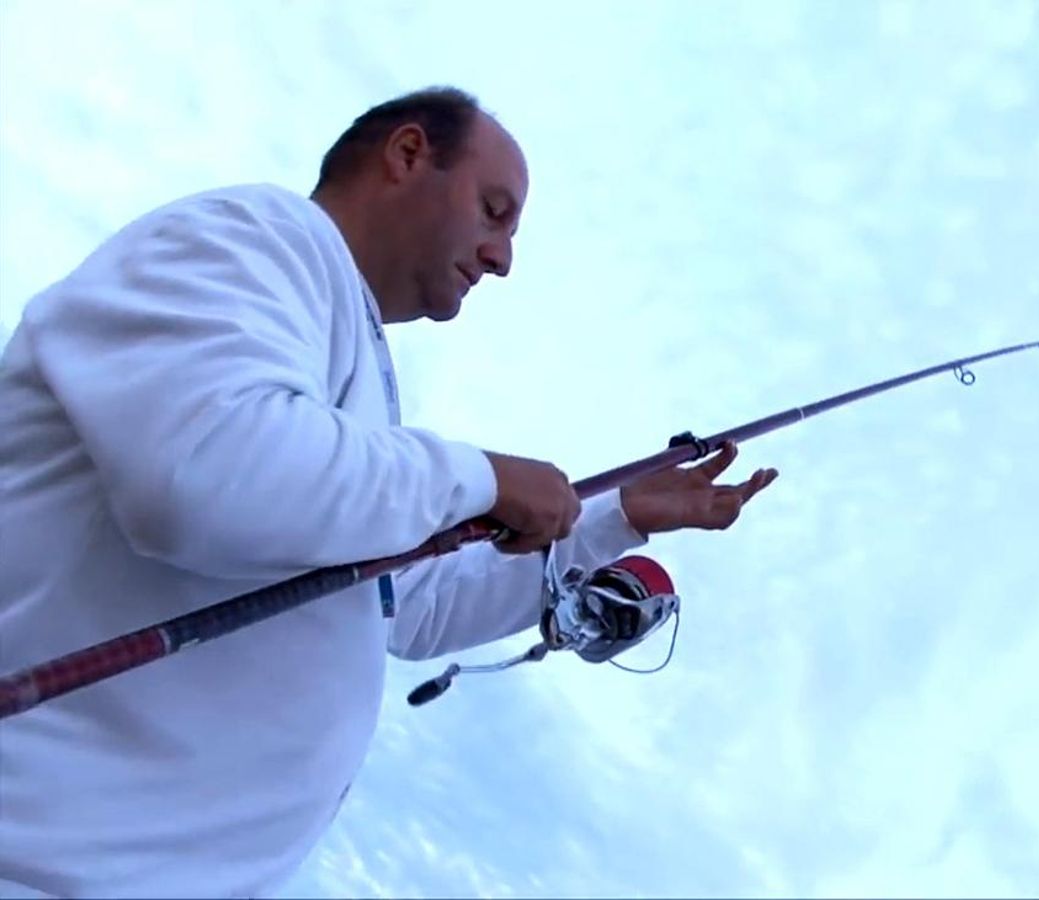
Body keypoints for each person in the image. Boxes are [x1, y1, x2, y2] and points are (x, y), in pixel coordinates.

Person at [0, 86, 778, 898]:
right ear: (408, 156)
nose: (503, 256)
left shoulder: (348, 364)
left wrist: (615, 521)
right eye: (493, 210)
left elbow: (413, 604)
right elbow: (206, 469)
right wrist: (478, 475)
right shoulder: (258, 238)